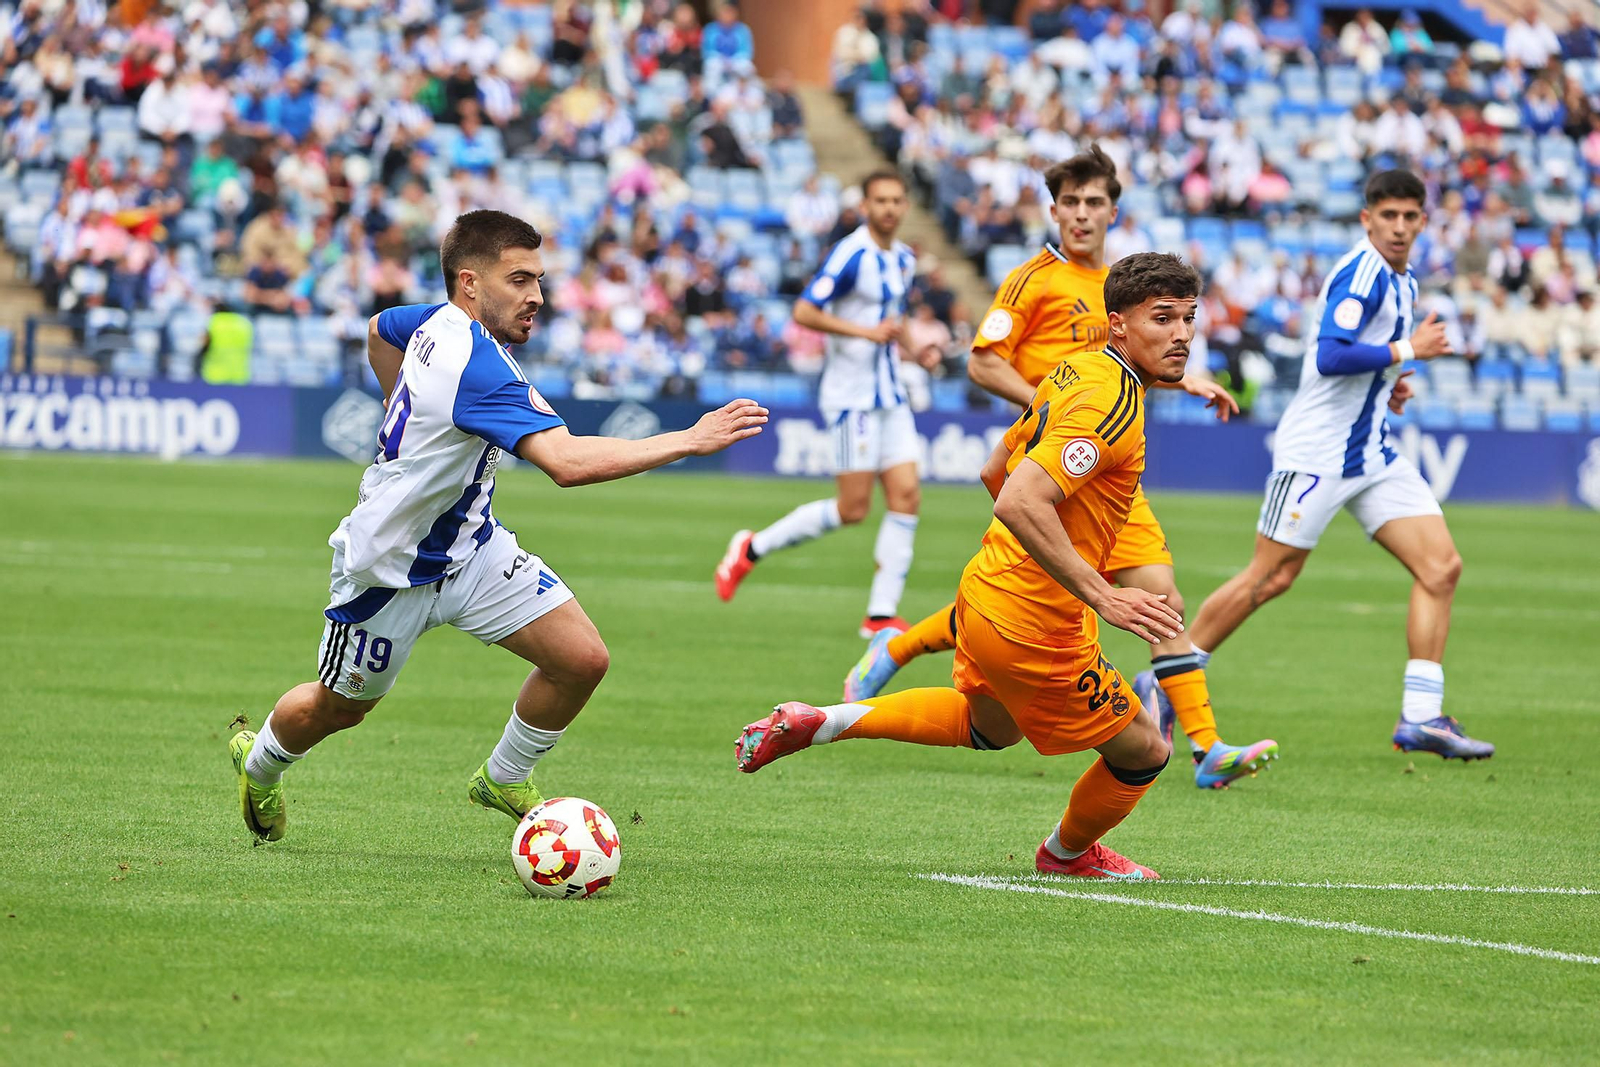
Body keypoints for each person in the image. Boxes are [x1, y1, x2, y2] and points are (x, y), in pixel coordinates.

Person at [228, 210, 768, 842]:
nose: (537, 296)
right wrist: (687, 439)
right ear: (470, 284)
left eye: (538, 280)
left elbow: (378, 329)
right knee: (338, 708)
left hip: (472, 547)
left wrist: (394, 398)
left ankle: (504, 776)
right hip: (388, 571)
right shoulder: (478, 367)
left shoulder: (431, 319)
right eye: (519, 280)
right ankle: (258, 763)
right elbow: (565, 463)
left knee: (581, 660)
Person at [735, 253, 1207, 881]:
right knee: (1145, 750)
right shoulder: (1112, 401)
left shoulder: (1076, 371)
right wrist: (1102, 594)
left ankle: (824, 721)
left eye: (1188, 319)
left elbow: (995, 469)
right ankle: (1066, 854)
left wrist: (1025, 561)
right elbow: (1018, 496)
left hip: (985, 593)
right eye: (1162, 318)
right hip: (1038, 627)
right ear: (1117, 325)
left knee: (991, 728)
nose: (1180, 334)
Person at [844, 146, 1277, 789]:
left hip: (1108, 466)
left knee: (1161, 599)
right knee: (1024, 595)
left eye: (1093, 202)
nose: (1080, 214)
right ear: (1054, 211)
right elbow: (983, 363)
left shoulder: (1126, 285)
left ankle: (1206, 747)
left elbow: (1135, 356)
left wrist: (1184, 381)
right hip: (1056, 462)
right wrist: (1054, 410)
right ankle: (900, 647)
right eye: (1069, 202)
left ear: (1112, 211)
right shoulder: (1032, 279)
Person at [1187, 170, 1493, 761]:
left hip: (1372, 451)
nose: (1400, 227)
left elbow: (1359, 359)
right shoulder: (1363, 273)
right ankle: (1169, 680)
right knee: (1269, 578)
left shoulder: (1402, 282)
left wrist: (1390, 384)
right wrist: (1408, 352)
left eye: (1410, 217)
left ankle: (1422, 718)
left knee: (1441, 567)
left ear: (1423, 222)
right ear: (1367, 219)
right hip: (1318, 453)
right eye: (1389, 216)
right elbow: (1330, 355)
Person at [715, 170, 920, 639]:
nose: (889, 208)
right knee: (854, 509)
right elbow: (805, 310)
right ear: (864, 206)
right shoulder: (852, 253)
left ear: (905, 206)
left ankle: (881, 615)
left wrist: (915, 347)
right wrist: (865, 333)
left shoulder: (903, 259)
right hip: (852, 398)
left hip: (890, 393)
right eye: (880, 200)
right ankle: (751, 548)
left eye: (896, 200)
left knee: (907, 495)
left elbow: (892, 318)